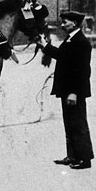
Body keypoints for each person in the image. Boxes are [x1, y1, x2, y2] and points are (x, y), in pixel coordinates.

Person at [37, 11, 94, 169]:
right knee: (70, 123)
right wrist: (44, 45)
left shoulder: (81, 42)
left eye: (65, 22)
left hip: (73, 91)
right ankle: (73, 156)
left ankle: (84, 159)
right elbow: (62, 55)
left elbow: (82, 71)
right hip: (67, 90)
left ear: (74, 23)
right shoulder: (71, 39)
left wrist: (74, 92)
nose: (62, 25)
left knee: (78, 123)